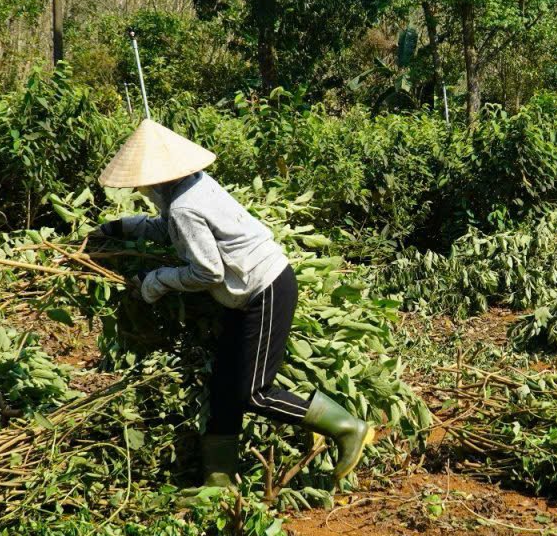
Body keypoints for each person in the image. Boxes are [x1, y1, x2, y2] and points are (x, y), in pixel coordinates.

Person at [92, 118, 367, 489]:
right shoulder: (193, 186)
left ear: (156, 180)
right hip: (250, 293)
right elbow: (168, 228)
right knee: (222, 386)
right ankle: (219, 484)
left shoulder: (184, 207)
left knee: (252, 392)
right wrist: (120, 227)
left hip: (264, 289)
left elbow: (207, 271)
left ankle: (347, 427)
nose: (143, 190)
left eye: (143, 185)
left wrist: (154, 283)